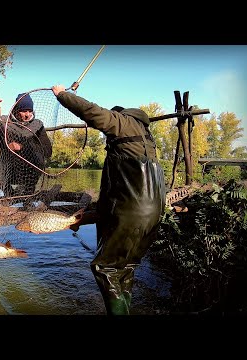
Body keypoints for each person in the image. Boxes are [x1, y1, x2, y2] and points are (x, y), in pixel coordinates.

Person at [51, 84, 166, 315]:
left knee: (104, 268)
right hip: (153, 215)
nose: (107, 137)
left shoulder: (124, 123)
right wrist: (86, 217)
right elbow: (121, 194)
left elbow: (92, 112)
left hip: (130, 216)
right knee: (126, 268)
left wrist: (62, 95)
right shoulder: (146, 140)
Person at [0, 92, 52, 197]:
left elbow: (48, 151)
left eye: (30, 111)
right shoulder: (3, 122)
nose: (27, 114)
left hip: (29, 173)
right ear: (16, 110)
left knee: (38, 161)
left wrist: (23, 147)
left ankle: (28, 194)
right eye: (23, 111)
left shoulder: (37, 125)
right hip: (8, 172)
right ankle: (9, 192)